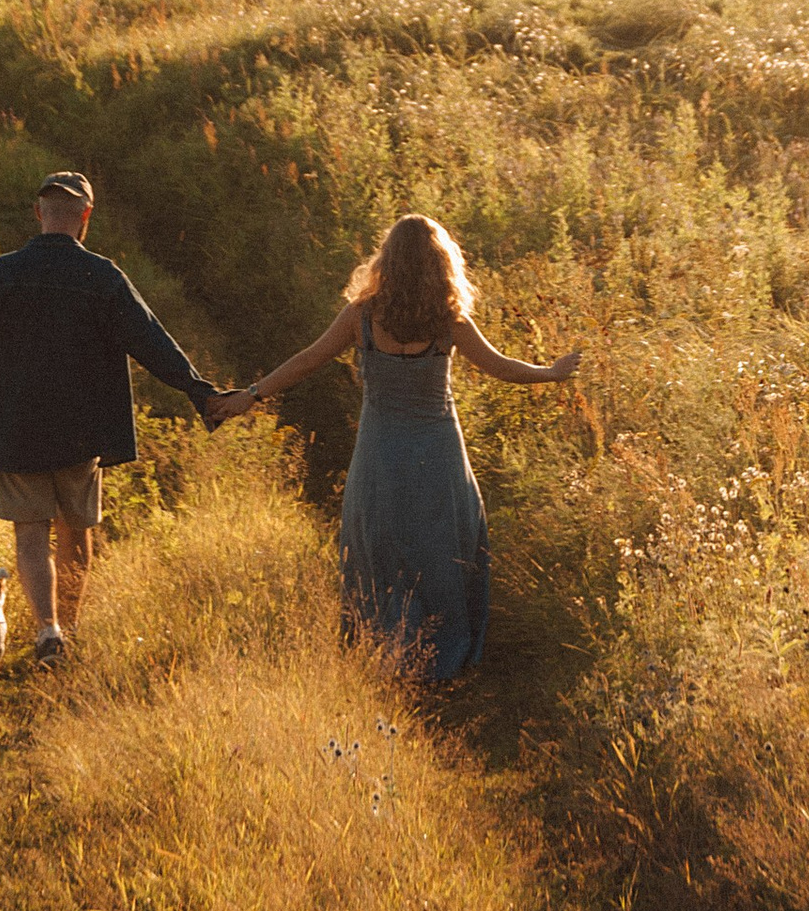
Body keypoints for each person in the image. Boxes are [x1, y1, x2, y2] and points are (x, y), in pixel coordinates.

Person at [214, 214, 578, 683]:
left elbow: (307, 360)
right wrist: (551, 371)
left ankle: (382, 648)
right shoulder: (449, 320)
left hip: (380, 452)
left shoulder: (362, 317)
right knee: (443, 547)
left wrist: (251, 395)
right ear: (439, 263)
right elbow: (500, 366)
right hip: (439, 452)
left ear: (386, 260)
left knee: (377, 547)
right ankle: (440, 655)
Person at [0, 169, 220, 664]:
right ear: (85, 218)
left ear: (38, 214)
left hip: (17, 427)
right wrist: (197, 390)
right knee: (77, 531)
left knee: (31, 532)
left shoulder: (1, 274)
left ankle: (47, 631)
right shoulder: (103, 277)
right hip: (81, 431)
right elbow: (151, 341)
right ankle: (67, 630)